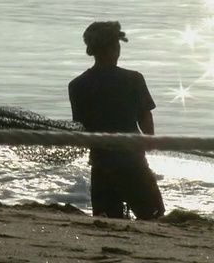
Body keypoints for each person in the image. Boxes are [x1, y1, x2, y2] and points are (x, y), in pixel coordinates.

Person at [68, 21, 165, 220]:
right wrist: (149, 142)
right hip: (133, 161)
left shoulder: (77, 85)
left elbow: (82, 125)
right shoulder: (134, 79)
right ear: (114, 47)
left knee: (107, 219)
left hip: (102, 163)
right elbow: (145, 116)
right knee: (153, 214)